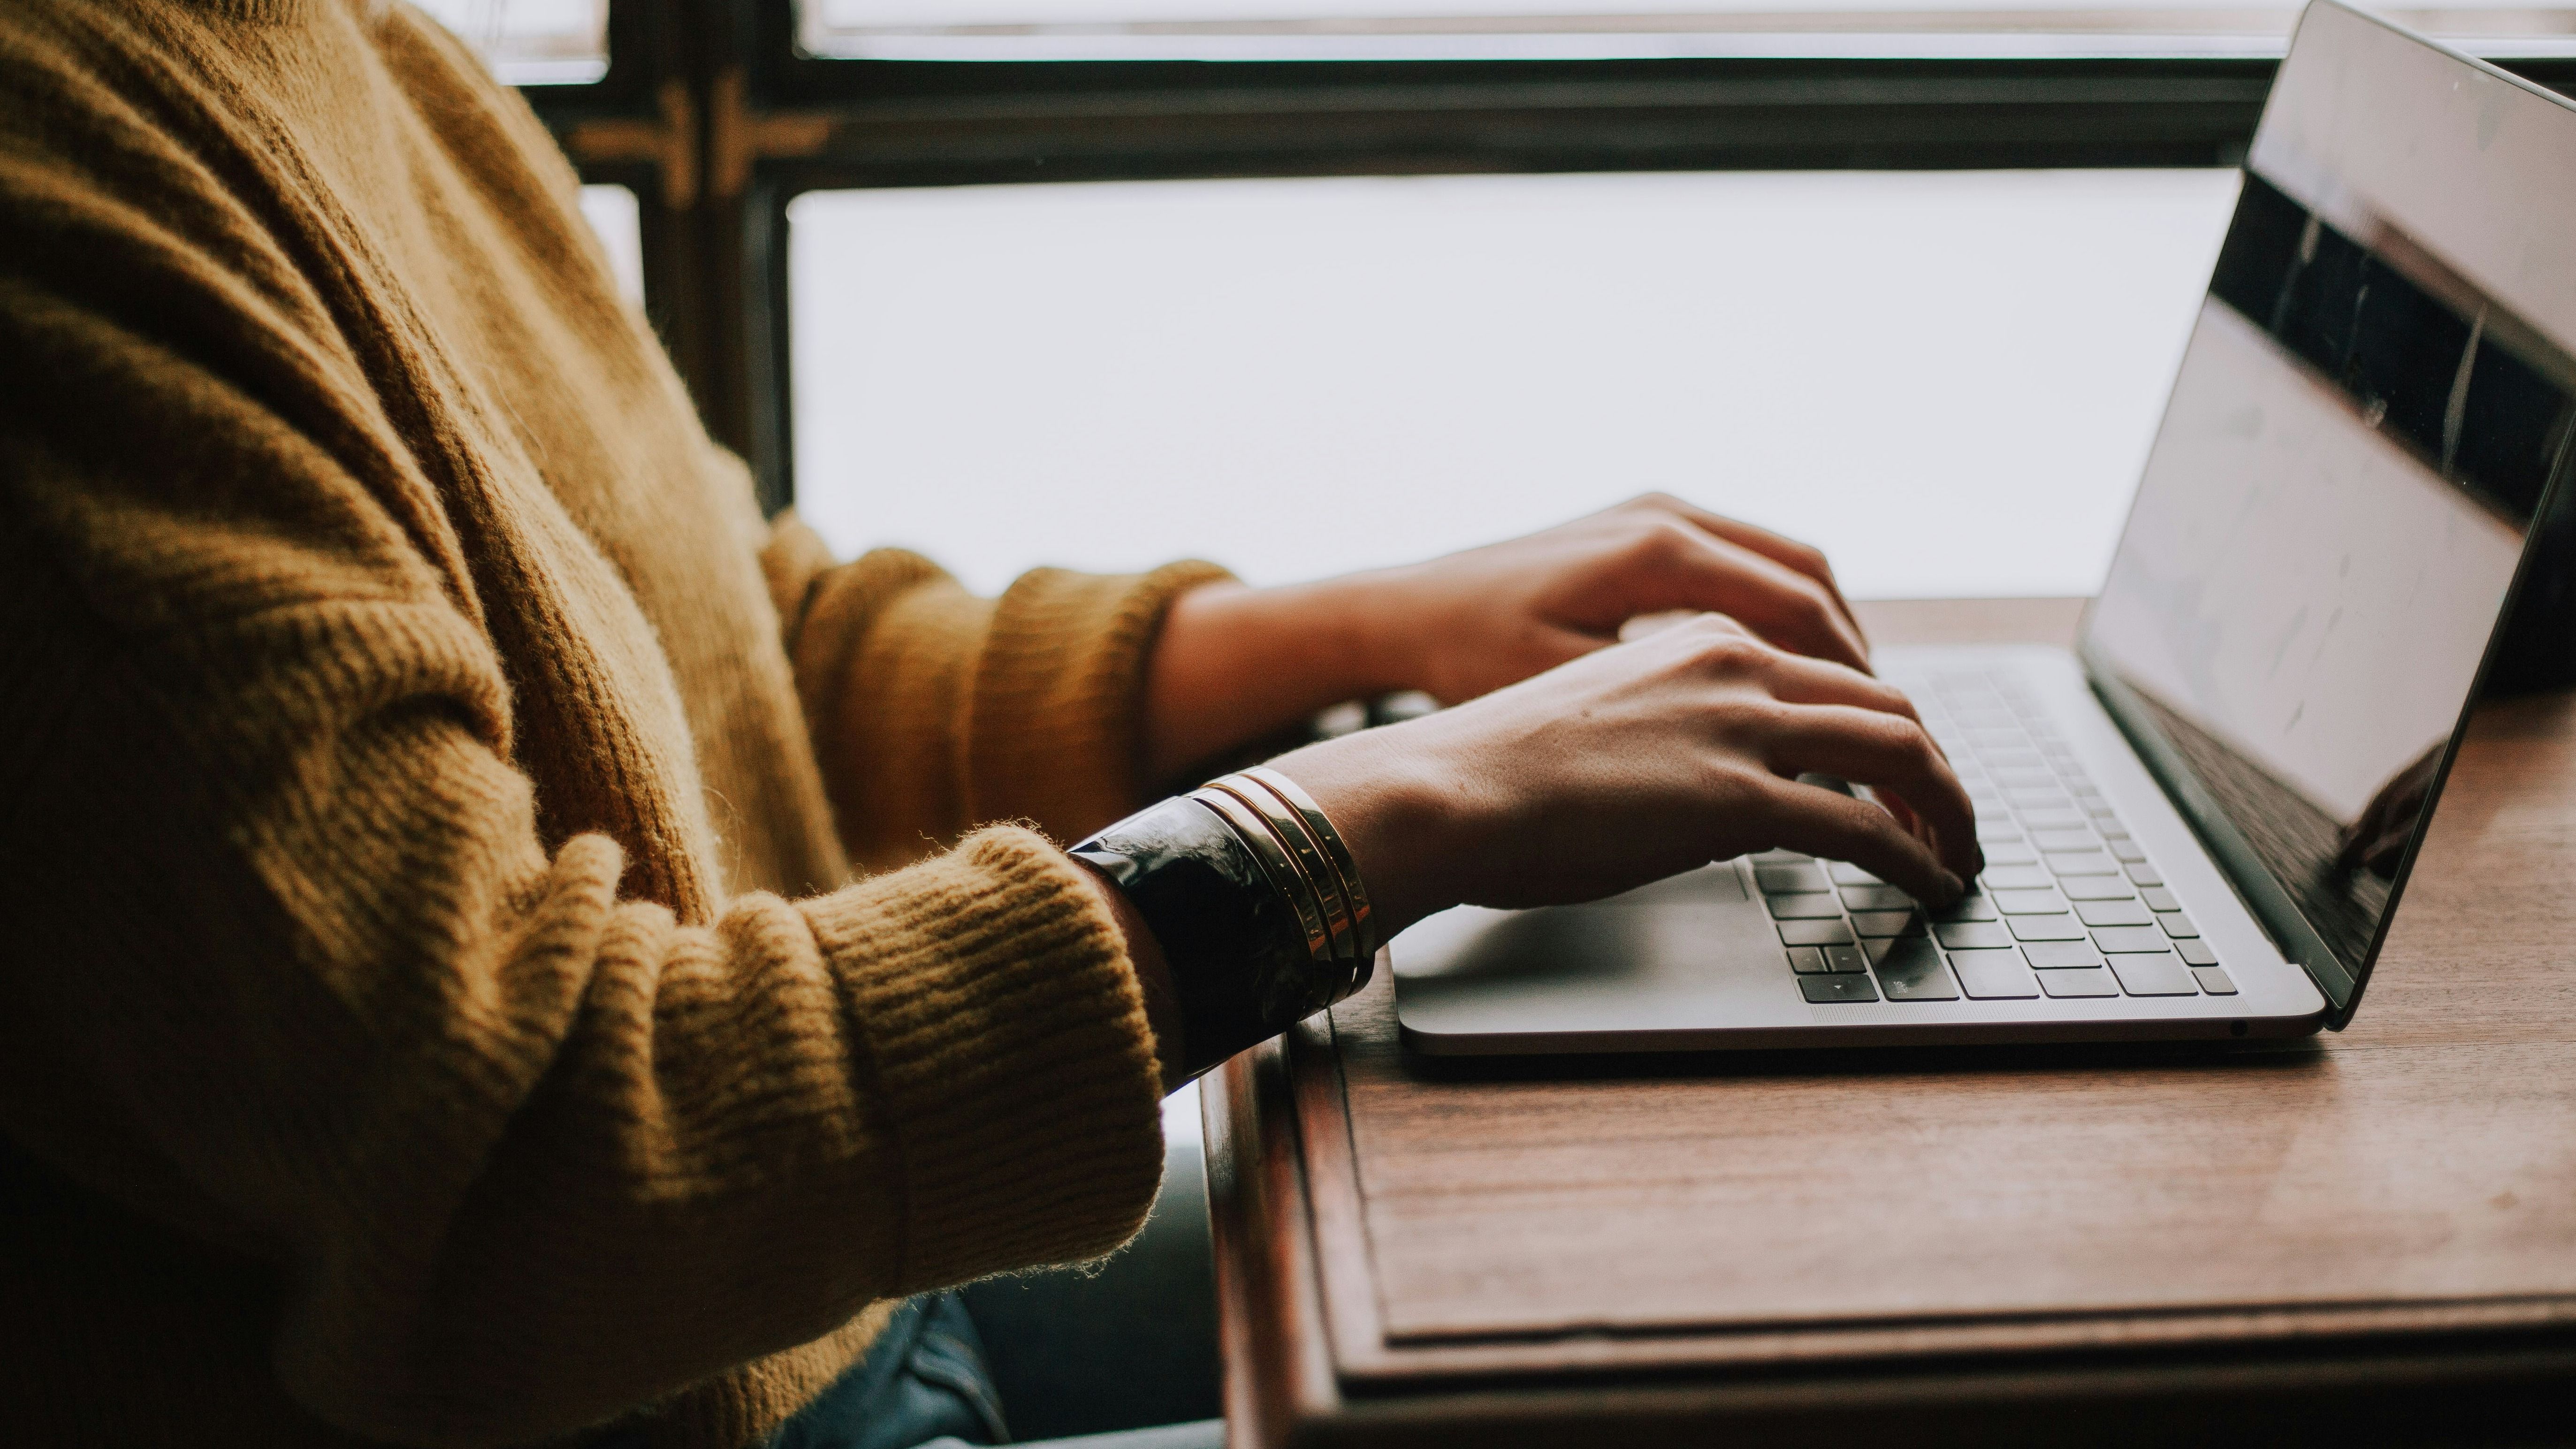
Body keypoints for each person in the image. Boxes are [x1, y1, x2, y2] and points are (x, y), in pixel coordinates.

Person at [0, 3, 1980, 1448]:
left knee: (1705, 1278)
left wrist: (1369, 628)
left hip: (815, 1307)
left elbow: (729, 649)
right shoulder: (56, 189)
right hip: (690, 1385)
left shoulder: (328, 39)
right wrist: (1375, 813)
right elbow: (529, 1171)